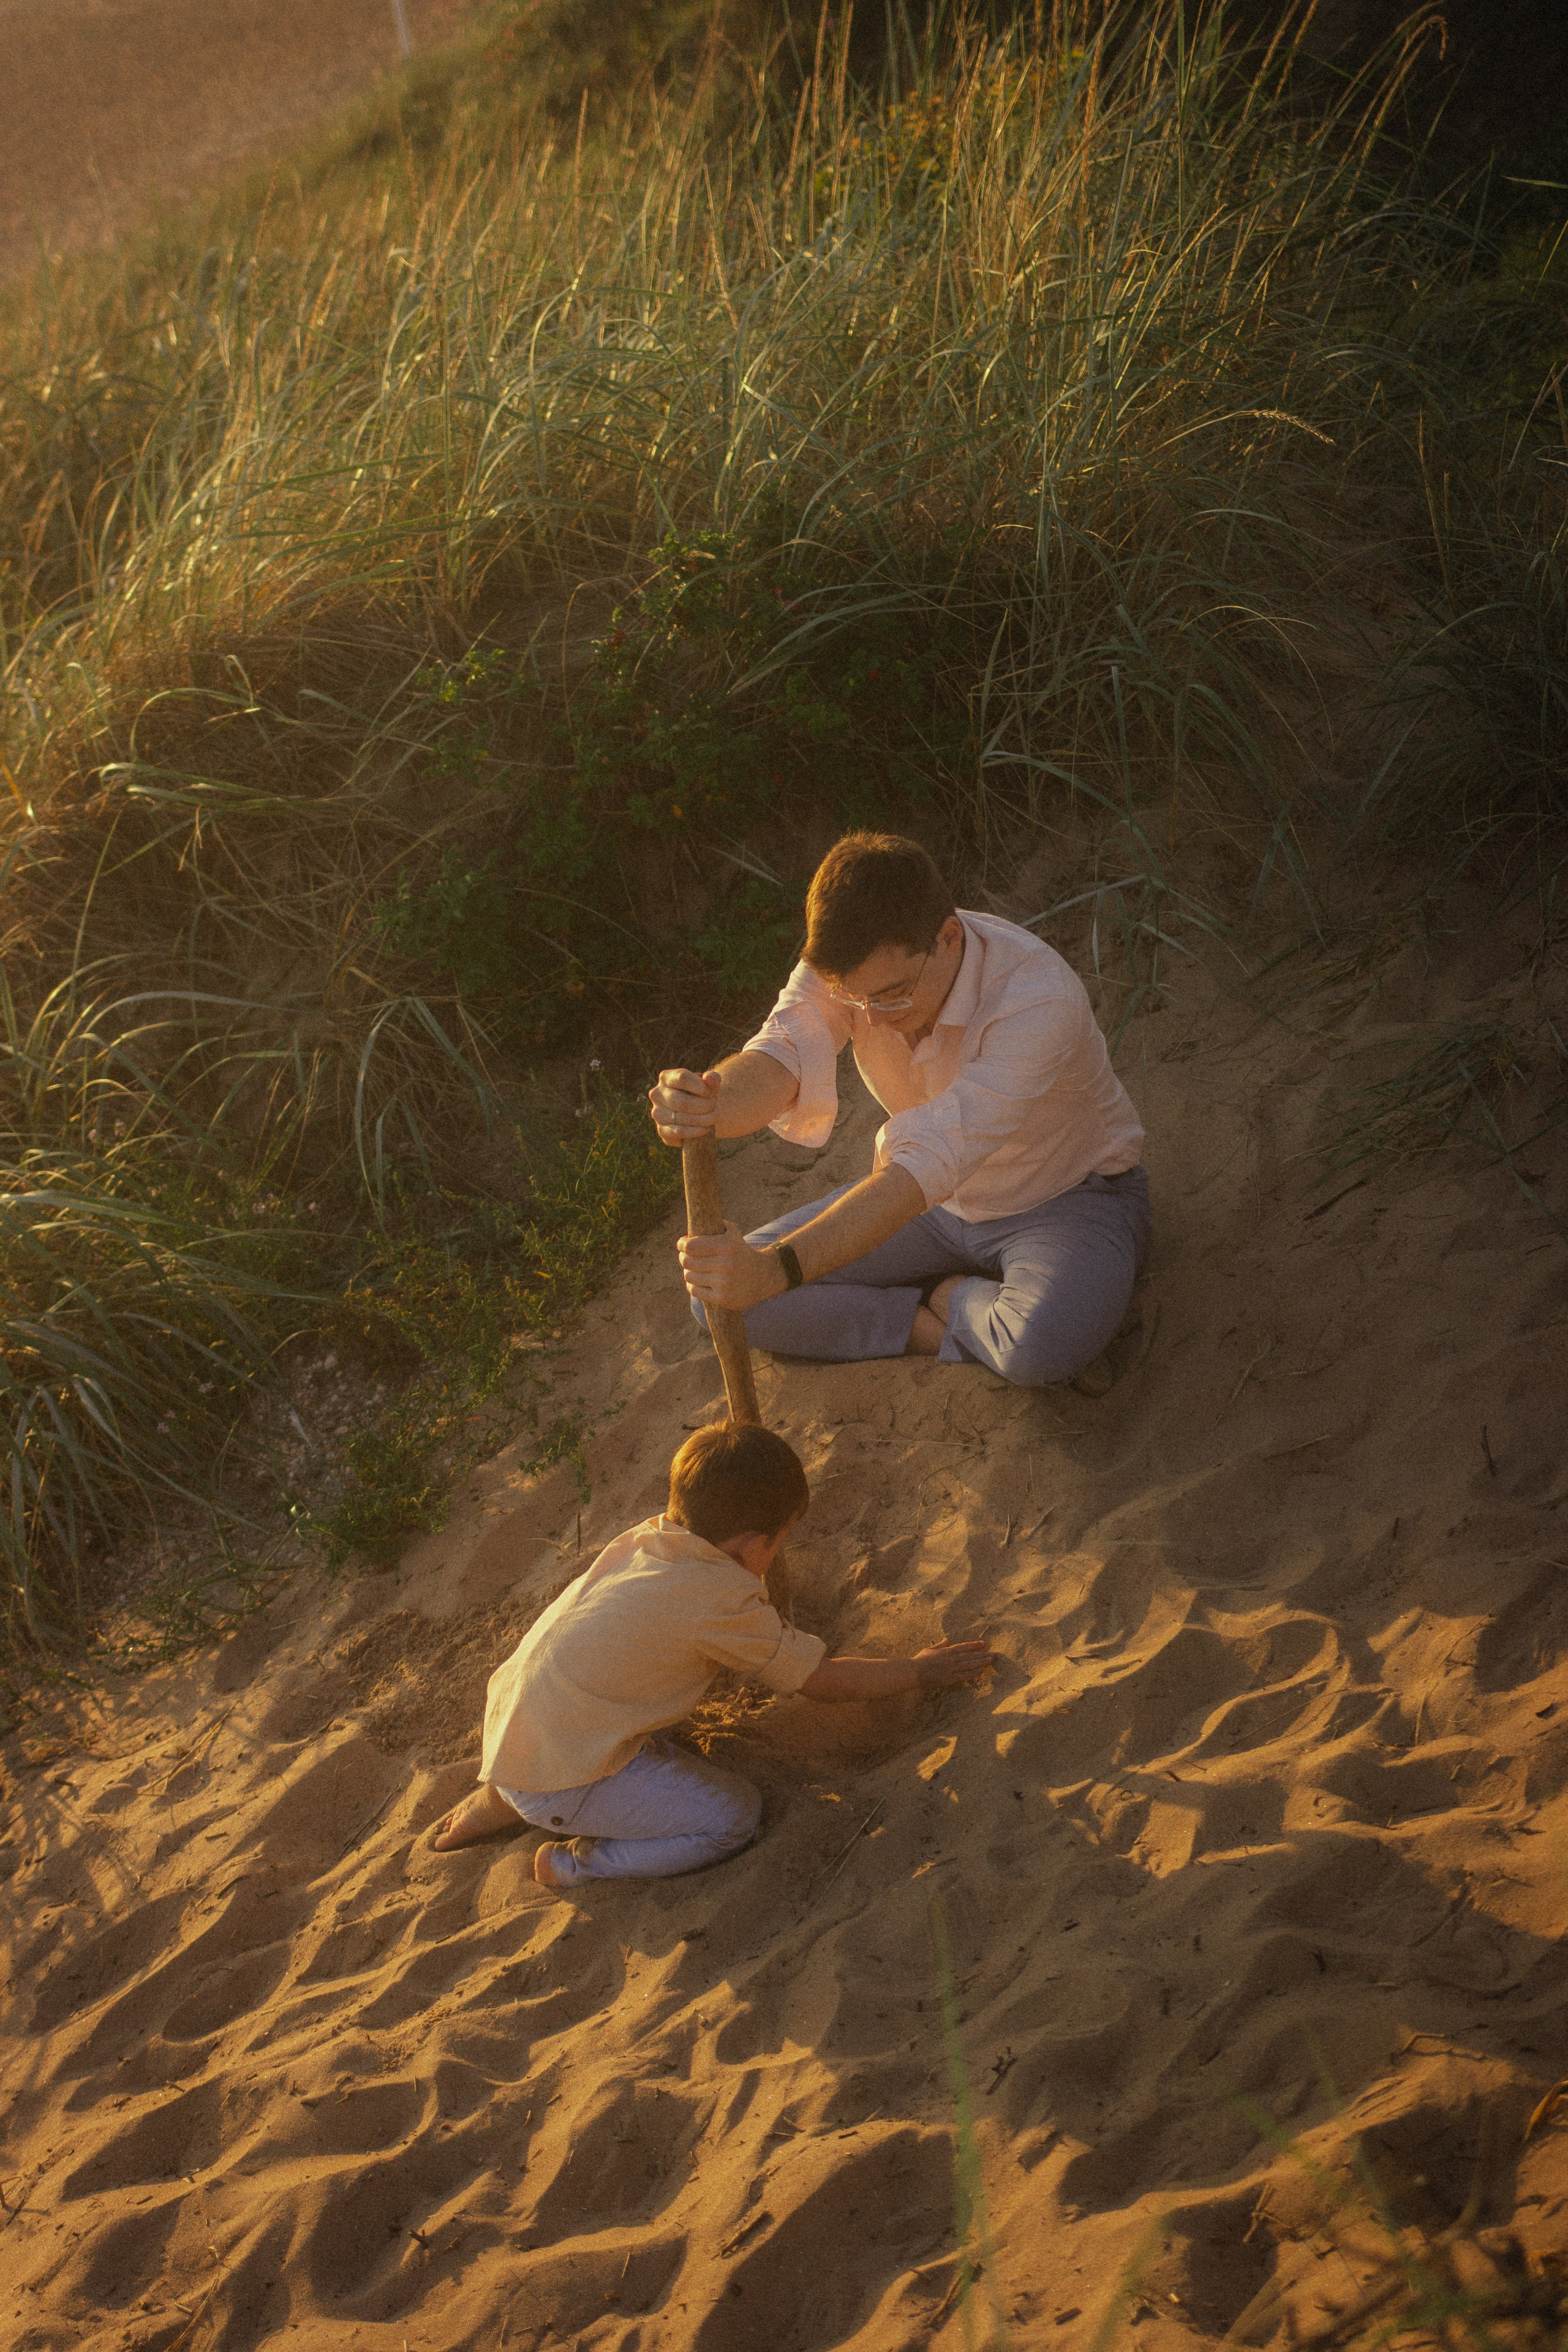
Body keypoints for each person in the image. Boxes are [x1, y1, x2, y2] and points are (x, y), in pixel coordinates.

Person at [650, 831, 1150, 1389]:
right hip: (936, 1208)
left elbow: (924, 1163)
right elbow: (779, 1055)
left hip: (1066, 1198)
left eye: (892, 994)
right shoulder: (852, 969)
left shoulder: (1036, 998)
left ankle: (951, 1293)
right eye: (855, 999)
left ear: (949, 938)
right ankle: (925, 1326)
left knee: (1040, 1349)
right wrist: (710, 1101)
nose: (875, 1017)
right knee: (720, 1300)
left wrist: (775, 1271)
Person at [430, 1421, 996, 1888]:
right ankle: (575, 1864)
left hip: (520, 1725)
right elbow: (817, 1679)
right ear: (755, 1546)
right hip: (566, 1775)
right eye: (779, 1543)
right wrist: (917, 1671)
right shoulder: (719, 1599)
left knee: (608, 1709)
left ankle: (505, 1796)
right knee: (730, 1817)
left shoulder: (648, 1539)